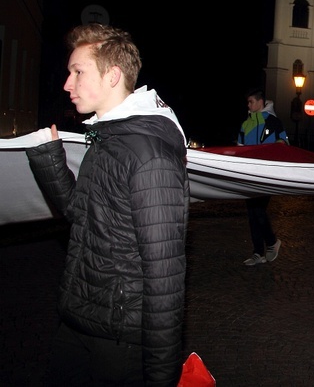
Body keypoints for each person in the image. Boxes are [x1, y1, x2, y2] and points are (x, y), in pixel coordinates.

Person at [24, 23, 190, 385]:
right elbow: (82, 217)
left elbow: (166, 279)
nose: (67, 84)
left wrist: (161, 376)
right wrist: (51, 162)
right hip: (79, 319)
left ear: (113, 75)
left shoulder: (150, 155)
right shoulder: (106, 137)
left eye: (78, 72)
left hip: (119, 339)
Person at [238, 88, 289, 266]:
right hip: (248, 175)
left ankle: (272, 242)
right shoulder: (246, 124)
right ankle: (258, 252)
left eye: (251, 101)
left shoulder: (274, 122)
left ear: (260, 102)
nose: (249, 105)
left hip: (266, 175)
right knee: (252, 214)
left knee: (258, 210)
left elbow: (284, 144)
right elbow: (239, 149)